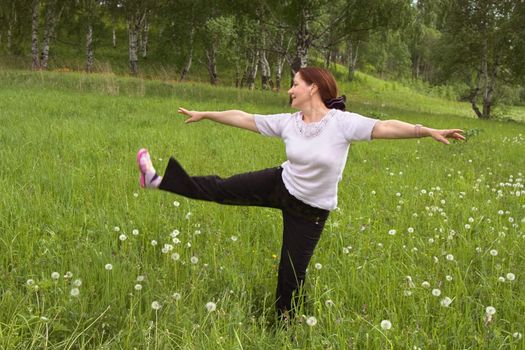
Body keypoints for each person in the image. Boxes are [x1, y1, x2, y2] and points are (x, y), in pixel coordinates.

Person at [136, 67, 465, 320]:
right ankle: (156, 179)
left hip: (310, 210)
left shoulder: (342, 123)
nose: (290, 89)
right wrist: (207, 114)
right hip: (280, 183)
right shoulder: (289, 121)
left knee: (291, 274)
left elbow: (386, 126)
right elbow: (245, 117)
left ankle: (282, 325)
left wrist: (426, 131)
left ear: (313, 87)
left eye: (295, 83)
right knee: (221, 188)